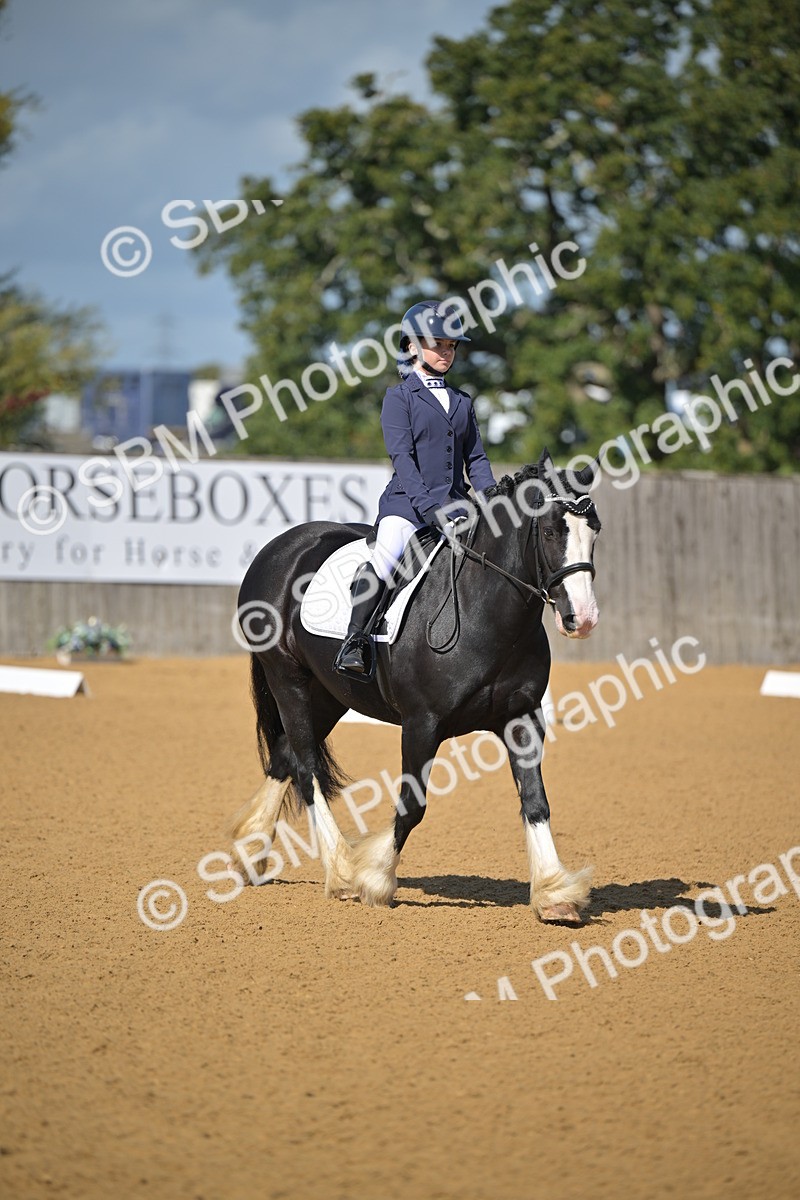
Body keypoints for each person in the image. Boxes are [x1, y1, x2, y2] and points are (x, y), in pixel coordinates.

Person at [335, 299, 496, 677]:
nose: (446, 351)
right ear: (411, 346)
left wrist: (492, 500)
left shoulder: (462, 402)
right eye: (437, 343)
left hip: (459, 506)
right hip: (408, 506)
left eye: (451, 345)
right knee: (387, 557)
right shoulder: (400, 397)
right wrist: (429, 508)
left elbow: (477, 459)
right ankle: (354, 641)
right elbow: (402, 460)